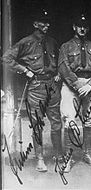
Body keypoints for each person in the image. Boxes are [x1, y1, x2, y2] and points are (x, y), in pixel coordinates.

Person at [2, 9, 62, 172]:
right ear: (35, 24)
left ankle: (58, 156)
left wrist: (58, 74)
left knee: (57, 124)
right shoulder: (25, 42)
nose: (47, 25)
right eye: (43, 22)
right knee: (37, 125)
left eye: (48, 22)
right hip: (36, 88)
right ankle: (40, 159)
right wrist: (24, 70)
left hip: (52, 87)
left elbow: (60, 60)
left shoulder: (52, 42)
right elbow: (7, 59)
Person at [58, 14, 91, 172]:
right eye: (79, 26)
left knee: (89, 120)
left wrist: (90, 84)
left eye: (85, 26)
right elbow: (63, 68)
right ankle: (68, 157)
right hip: (72, 86)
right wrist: (77, 85)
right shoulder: (66, 46)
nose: (82, 29)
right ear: (74, 27)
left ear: (87, 29)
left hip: (90, 86)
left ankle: (87, 153)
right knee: (70, 120)